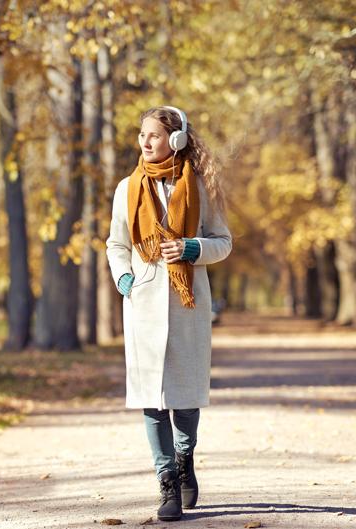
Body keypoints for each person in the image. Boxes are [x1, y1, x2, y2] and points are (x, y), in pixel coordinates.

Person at [105, 106, 232, 522]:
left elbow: (223, 242)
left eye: (154, 135)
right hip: (142, 305)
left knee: (185, 396)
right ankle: (167, 483)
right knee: (151, 399)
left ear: (175, 139)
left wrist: (192, 248)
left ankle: (184, 459)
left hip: (187, 303)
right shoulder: (127, 188)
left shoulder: (199, 185)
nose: (145, 141)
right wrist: (125, 280)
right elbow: (116, 244)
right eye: (142, 134)